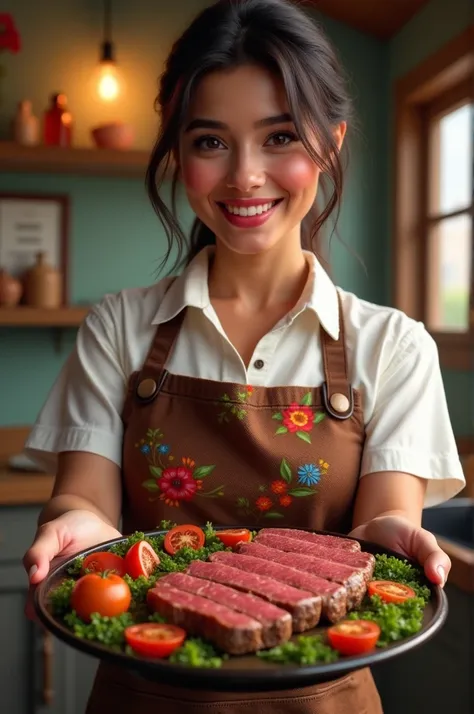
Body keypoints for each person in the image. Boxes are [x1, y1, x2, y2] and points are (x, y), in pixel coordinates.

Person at [22, 0, 465, 712]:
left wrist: (388, 541)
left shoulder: (393, 345)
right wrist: (73, 525)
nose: (245, 177)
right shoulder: (119, 327)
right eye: (210, 142)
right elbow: (86, 503)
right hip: (144, 693)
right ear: (178, 154)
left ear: (331, 142)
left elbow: (382, 533)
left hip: (328, 698)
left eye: (279, 135)